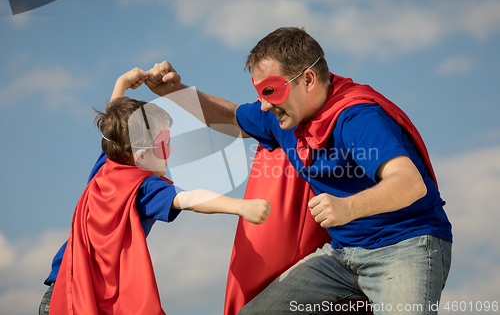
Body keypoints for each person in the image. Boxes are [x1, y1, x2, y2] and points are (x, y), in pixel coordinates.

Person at [144, 27, 453, 315]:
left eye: (271, 91)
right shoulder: (283, 114)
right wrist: (175, 92)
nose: (264, 106)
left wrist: (348, 206)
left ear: (307, 79)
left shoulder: (358, 117)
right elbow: (230, 115)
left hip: (406, 246)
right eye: (260, 93)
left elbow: (410, 183)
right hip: (342, 256)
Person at [39, 68, 272, 315]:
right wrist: (240, 206)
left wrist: (122, 82)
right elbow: (191, 199)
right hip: (86, 298)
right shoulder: (143, 187)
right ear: (141, 156)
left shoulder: (106, 167)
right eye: (165, 144)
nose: (170, 151)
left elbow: (114, 126)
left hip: (58, 291)